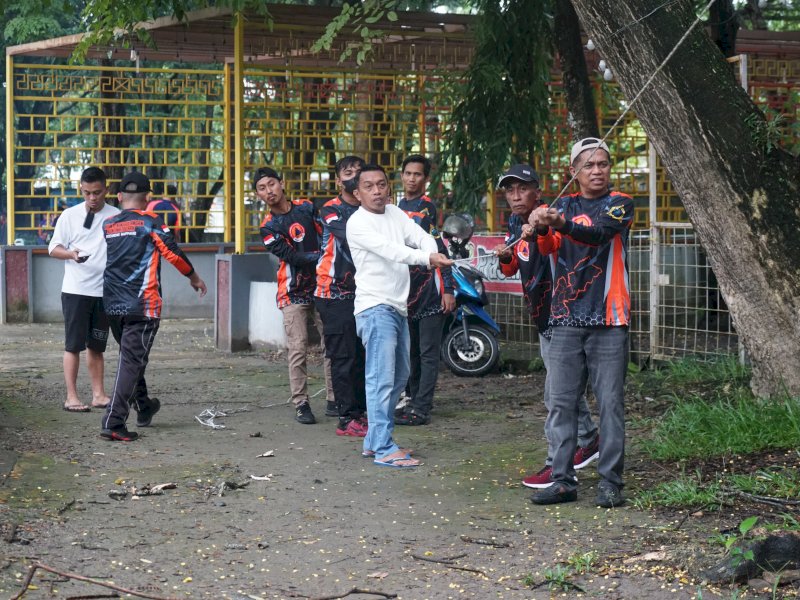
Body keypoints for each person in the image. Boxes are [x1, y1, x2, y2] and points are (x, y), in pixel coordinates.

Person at [528, 138, 633, 507]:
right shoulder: (560, 205)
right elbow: (547, 249)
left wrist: (560, 223)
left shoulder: (620, 204)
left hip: (609, 318)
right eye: (588, 165)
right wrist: (540, 227)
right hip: (565, 318)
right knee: (562, 403)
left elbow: (598, 234)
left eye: (602, 163)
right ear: (573, 171)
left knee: (610, 404)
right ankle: (562, 481)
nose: (597, 170)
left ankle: (610, 482)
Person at [493, 164, 599, 489]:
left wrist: (538, 229)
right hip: (542, 318)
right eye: (509, 190)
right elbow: (513, 268)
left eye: (522, 188)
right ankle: (591, 439)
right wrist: (503, 254)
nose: (515, 195)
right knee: (564, 390)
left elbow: (549, 248)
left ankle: (557, 465)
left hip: (562, 317)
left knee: (556, 395)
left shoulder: (549, 217)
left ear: (536, 191)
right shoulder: (514, 223)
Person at [346, 164, 453, 468]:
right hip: (375, 308)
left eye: (382, 184)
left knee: (400, 376)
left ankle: (373, 440)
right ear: (358, 192)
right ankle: (382, 447)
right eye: (369, 186)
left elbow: (420, 237)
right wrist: (427, 258)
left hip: (397, 307)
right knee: (381, 378)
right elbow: (394, 251)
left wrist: (432, 251)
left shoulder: (395, 214)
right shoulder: (357, 223)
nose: (377, 191)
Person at [100, 172, 207, 441]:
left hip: (112, 303)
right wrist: (193, 277)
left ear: (119, 197)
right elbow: (171, 252)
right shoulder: (150, 222)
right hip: (142, 305)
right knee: (131, 361)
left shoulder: (108, 225)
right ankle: (113, 421)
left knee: (132, 358)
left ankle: (144, 406)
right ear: (148, 198)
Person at [256, 167, 334, 425]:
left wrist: (326, 260)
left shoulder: (308, 208)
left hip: (323, 286)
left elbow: (326, 237)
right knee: (297, 348)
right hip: (292, 292)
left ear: (282, 183)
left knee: (331, 344)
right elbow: (292, 257)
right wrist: (322, 258)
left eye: (271, 184)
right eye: (262, 188)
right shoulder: (267, 227)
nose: (269, 191)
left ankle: (335, 398)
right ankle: (301, 403)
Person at [48, 167, 120, 412]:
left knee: (97, 346)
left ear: (106, 190)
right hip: (76, 291)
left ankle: (99, 395)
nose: (92, 198)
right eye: (88, 193)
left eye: (97, 193)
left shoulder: (116, 216)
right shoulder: (69, 215)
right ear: (81, 189)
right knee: (73, 345)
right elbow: (53, 248)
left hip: (104, 291)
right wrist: (71, 254)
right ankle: (72, 397)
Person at [395, 155, 455, 426]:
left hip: (430, 289)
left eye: (417, 174)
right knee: (411, 352)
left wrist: (448, 289)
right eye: (407, 173)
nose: (411, 179)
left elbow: (439, 249)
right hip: (405, 291)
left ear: (426, 179)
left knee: (428, 353)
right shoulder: (394, 208)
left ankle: (422, 408)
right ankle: (411, 400)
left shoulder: (427, 208)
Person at [314, 156, 369, 438]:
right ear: (338, 180)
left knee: (361, 355)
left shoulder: (371, 211)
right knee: (343, 356)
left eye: (359, 172)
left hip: (364, 293)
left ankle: (360, 413)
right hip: (332, 293)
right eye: (348, 173)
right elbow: (350, 235)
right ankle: (346, 418)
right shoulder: (331, 210)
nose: (354, 177)